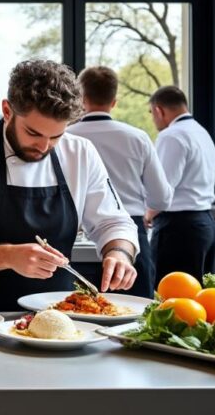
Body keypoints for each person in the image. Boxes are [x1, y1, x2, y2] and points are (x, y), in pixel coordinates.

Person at [0, 60, 139, 311]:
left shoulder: (80, 152)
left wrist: (119, 253)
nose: (44, 147)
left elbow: (114, 222)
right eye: (33, 133)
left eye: (56, 136)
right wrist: (8, 256)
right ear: (7, 111)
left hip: (59, 319)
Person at [65, 66, 172, 298]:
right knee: (136, 313)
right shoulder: (138, 138)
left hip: (73, 238)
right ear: (114, 102)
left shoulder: (65, 137)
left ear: (81, 99)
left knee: (73, 313)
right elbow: (162, 198)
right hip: (131, 240)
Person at [147, 85, 215, 282]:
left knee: (170, 294)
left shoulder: (171, 135)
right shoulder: (201, 132)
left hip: (178, 229)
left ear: (159, 110)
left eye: (151, 113)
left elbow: (162, 188)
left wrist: (147, 214)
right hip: (206, 224)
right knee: (200, 294)